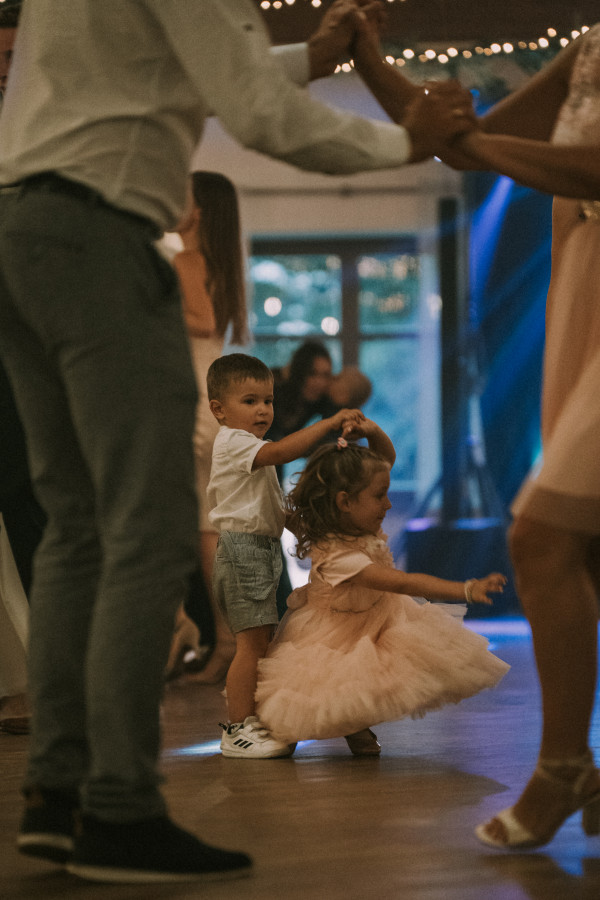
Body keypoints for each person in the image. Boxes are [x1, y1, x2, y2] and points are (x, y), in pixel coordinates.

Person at [0, 0, 476, 884]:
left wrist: (308, 58)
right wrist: (407, 143)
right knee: (145, 533)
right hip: (99, 237)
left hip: (19, 229)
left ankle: (57, 800)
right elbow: (259, 114)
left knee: (77, 530)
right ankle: (118, 810)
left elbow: (169, 64)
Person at [355, 15, 600, 849]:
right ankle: (578, 763)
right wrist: (368, 60)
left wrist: (479, 146)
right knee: (586, 549)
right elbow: (459, 145)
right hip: (582, 290)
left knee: (541, 538)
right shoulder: (588, 49)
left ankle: (563, 764)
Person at [254, 425, 509, 755]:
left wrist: (372, 430)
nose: (388, 504)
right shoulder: (340, 557)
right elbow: (404, 582)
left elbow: (384, 458)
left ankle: (355, 725)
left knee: (363, 677)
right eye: (379, 496)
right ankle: (292, 730)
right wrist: (466, 589)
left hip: (374, 617)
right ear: (345, 502)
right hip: (332, 629)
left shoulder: (355, 526)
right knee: (323, 683)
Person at [206, 353, 364, 758]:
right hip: (243, 551)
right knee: (250, 645)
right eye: (250, 401)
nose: (262, 410)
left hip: (260, 550)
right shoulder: (233, 442)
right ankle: (237, 729)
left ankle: (255, 718)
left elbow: (272, 508)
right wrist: (327, 424)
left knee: (263, 641)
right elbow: (280, 453)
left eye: (268, 401)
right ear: (218, 410)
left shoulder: (251, 449)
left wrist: (308, 530)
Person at [165, 171, 247, 685]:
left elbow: (203, 320)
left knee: (201, 529)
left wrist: (145, 313)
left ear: (198, 210)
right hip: (209, 389)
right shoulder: (216, 262)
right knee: (206, 527)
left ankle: (207, 634)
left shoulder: (186, 261)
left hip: (193, 394)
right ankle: (219, 639)